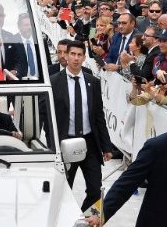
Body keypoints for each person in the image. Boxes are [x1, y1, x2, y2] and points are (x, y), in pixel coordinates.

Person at [50, 41, 111, 212]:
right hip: (65, 143)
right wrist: (52, 145)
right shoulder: (54, 82)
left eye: (79, 55)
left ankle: (83, 219)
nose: (76, 59)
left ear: (84, 58)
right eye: (73, 54)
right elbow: (47, 116)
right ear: (66, 56)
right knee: (63, 190)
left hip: (89, 143)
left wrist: (106, 146)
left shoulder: (93, 82)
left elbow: (99, 115)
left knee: (95, 190)